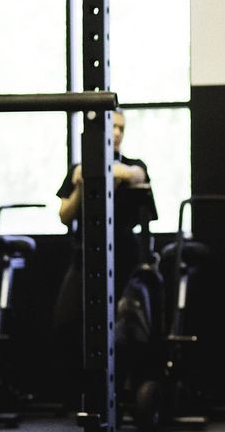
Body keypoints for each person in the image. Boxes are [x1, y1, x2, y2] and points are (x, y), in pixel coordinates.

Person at [52, 110, 158, 379]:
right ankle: (85, 386)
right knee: (67, 320)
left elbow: (137, 174)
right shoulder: (77, 170)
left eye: (122, 127)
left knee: (124, 321)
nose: (118, 133)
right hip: (85, 253)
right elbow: (65, 215)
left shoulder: (133, 164)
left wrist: (99, 170)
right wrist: (83, 184)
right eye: (113, 127)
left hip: (124, 253)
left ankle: (121, 387)